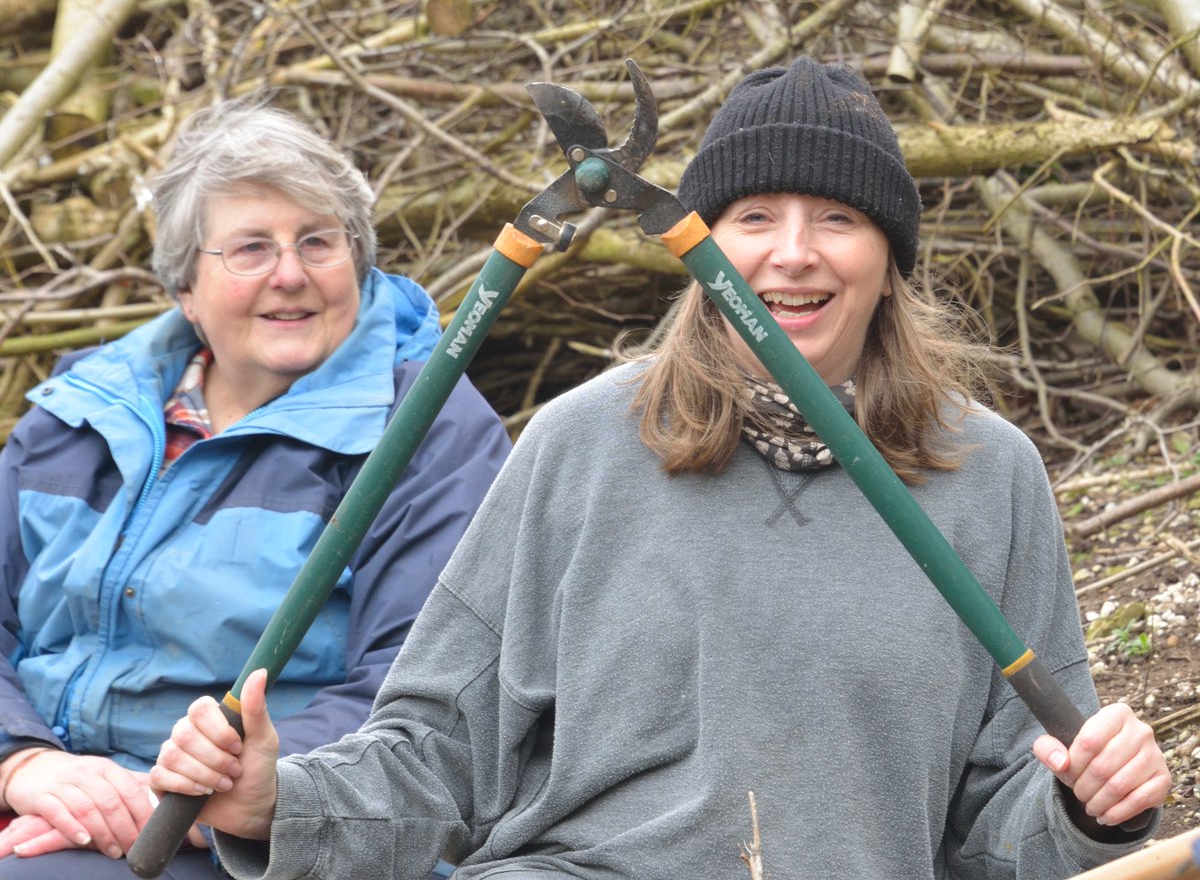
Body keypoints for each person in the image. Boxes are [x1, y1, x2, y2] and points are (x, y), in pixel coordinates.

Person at [150, 58, 1171, 880]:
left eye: (839, 219)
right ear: (703, 245)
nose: (794, 255)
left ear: (890, 256)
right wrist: (284, 801)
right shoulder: (580, 444)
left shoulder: (990, 476)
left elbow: (1006, 827)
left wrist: (1088, 808)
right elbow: (438, 754)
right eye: (755, 218)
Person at [0, 97, 511, 879]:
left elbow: (425, 694)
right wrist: (24, 761)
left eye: (317, 241)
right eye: (250, 248)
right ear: (184, 287)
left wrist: (187, 799)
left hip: (258, 837)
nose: (290, 273)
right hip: (45, 797)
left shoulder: (425, 427)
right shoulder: (76, 411)